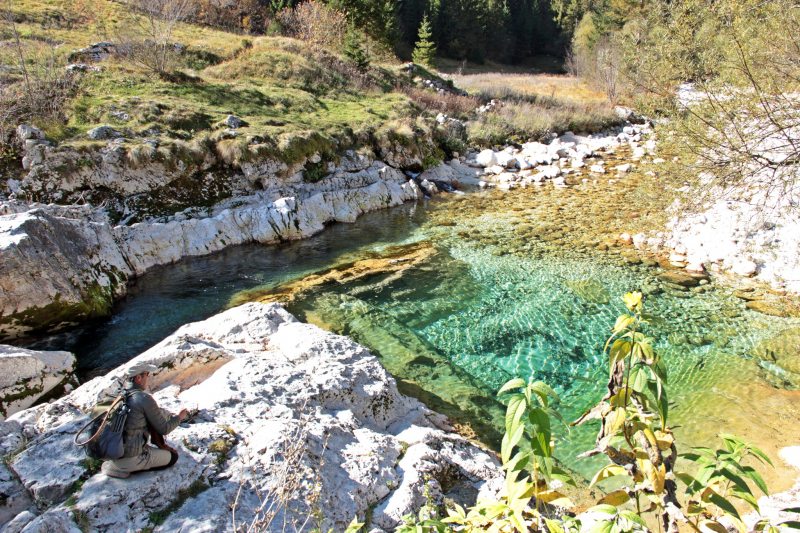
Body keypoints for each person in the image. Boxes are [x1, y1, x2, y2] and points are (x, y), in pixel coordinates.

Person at [101, 362, 189, 479]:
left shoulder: (119, 394)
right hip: (131, 457)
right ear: (138, 378)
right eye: (147, 374)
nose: (148, 377)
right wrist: (179, 417)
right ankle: (123, 468)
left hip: (112, 452)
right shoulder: (143, 399)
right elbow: (164, 429)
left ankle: (116, 464)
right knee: (173, 457)